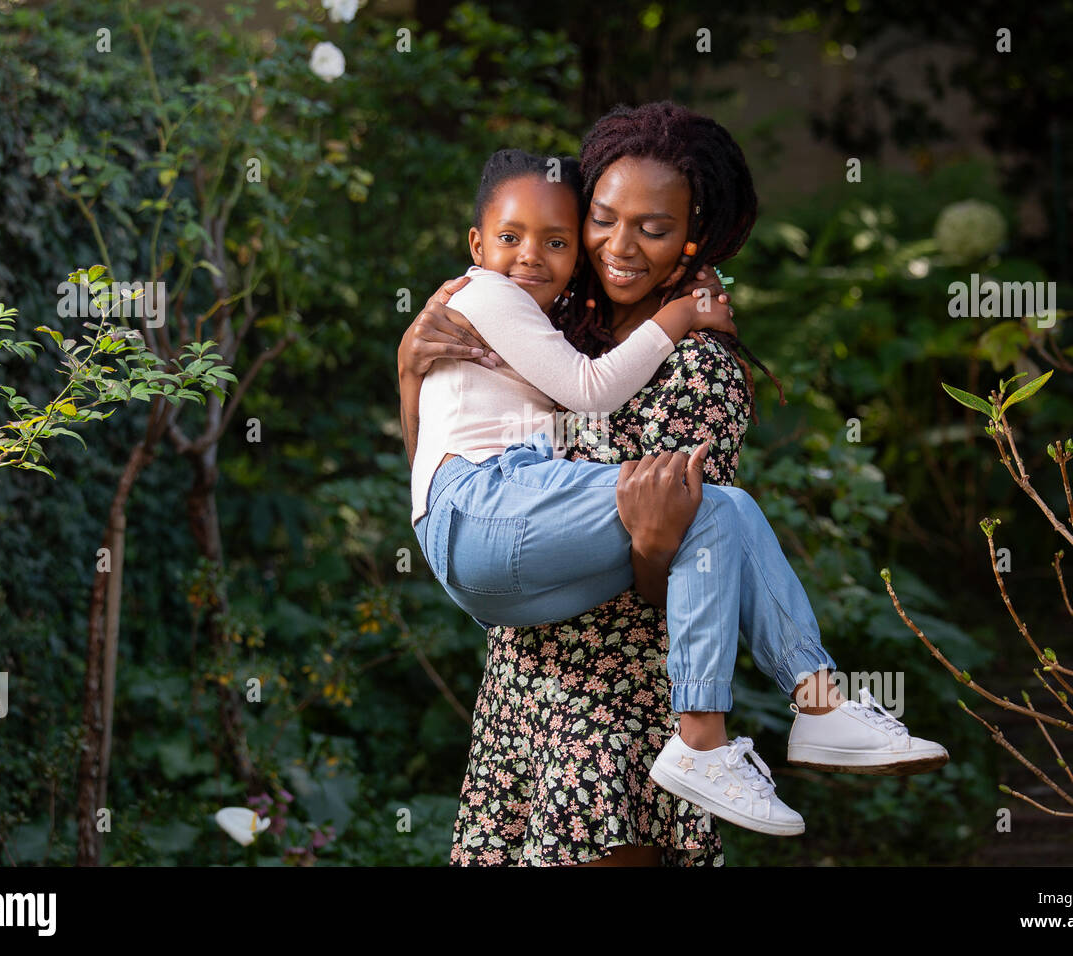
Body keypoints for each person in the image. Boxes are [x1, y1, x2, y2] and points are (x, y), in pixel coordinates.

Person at [399, 102, 946, 864]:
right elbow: (448, 457)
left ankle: (737, 730)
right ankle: (807, 707)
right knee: (723, 509)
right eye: (601, 219)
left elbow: (691, 566)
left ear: (694, 235)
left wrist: (654, 534)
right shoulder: (557, 323)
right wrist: (408, 365)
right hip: (525, 683)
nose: (616, 246)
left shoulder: (698, 365)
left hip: (615, 700)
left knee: (717, 512)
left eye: (652, 229)